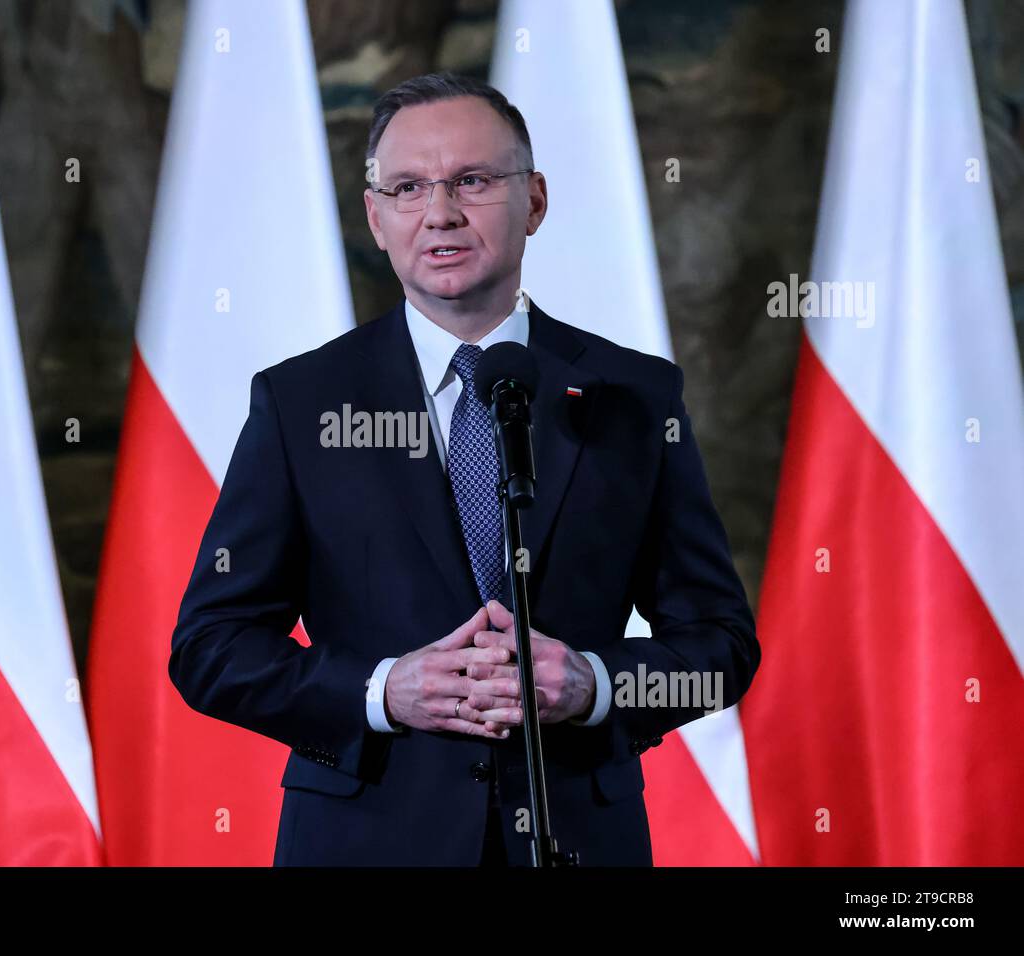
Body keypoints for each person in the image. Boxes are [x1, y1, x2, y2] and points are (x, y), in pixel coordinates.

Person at [170, 72, 759, 866]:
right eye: (409, 187)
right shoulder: (303, 402)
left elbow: (720, 648)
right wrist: (383, 691)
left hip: (578, 839)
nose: (440, 212)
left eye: (472, 181)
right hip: (365, 840)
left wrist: (593, 683)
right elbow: (211, 647)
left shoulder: (634, 395)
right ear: (376, 218)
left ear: (536, 200)